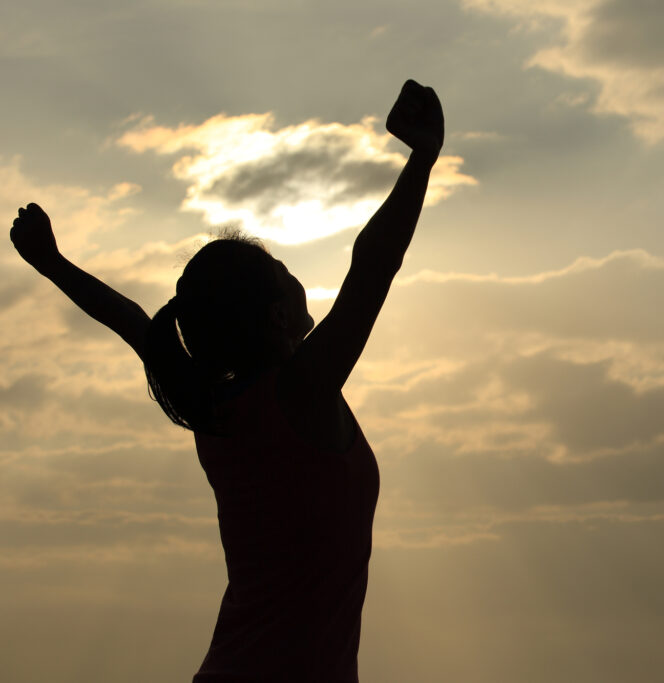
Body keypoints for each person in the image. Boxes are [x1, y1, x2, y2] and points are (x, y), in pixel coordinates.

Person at [9, 79, 445, 683]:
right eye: (282, 268)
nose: (295, 273)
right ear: (275, 316)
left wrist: (50, 261)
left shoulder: (208, 405)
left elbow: (133, 322)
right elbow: (374, 264)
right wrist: (422, 159)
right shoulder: (303, 391)